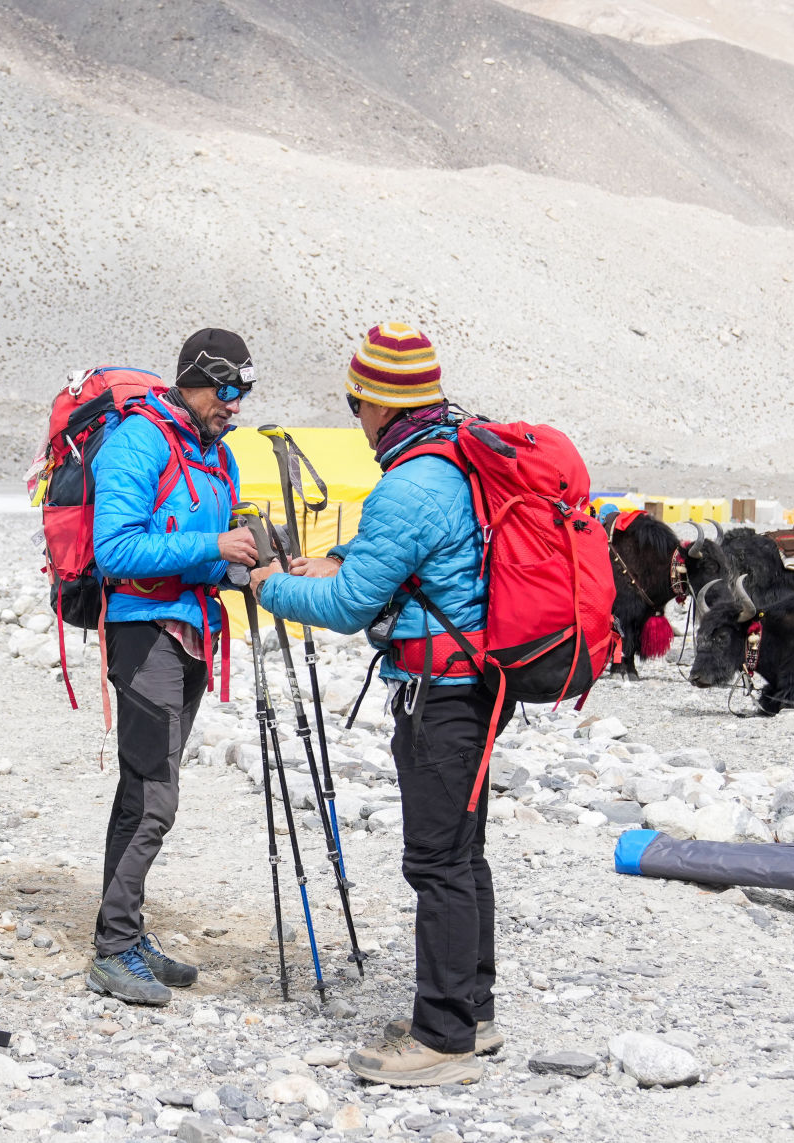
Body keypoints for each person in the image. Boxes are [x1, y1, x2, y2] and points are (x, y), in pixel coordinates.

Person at [250, 322, 515, 1086]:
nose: (355, 418)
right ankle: (472, 1012)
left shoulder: (410, 481)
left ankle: (443, 1040)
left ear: (381, 404)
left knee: (436, 862)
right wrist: (336, 559)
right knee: (463, 852)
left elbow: (347, 605)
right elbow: (403, 556)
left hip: (442, 696)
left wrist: (271, 584)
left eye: (355, 402)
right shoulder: (457, 451)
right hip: (479, 683)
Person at [86, 328, 259, 1005]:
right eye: (227, 390)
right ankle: (113, 951)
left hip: (192, 636)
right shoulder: (140, 440)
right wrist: (215, 544)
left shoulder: (217, 453)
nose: (234, 404)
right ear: (194, 380)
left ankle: (126, 932)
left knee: (144, 789)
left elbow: (206, 555)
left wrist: (246, 565)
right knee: (155, 797)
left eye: (243, 392)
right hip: (144, 635)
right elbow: (114, 550)